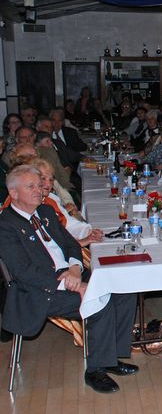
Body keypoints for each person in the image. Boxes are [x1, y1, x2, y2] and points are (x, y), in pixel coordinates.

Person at [0, 165, 138, 393]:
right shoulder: (6, 225)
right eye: (31, 186)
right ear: (13, 193)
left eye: (39, 185)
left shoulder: (45, 212)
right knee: (98, 300)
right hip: (38, 291)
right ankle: (95, 370)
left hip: (69, 273)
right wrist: (68, 283)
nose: (39, 190)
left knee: (123, 289)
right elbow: (23, 271)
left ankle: (111, 357)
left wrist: (74, 268)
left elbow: (71, 244)